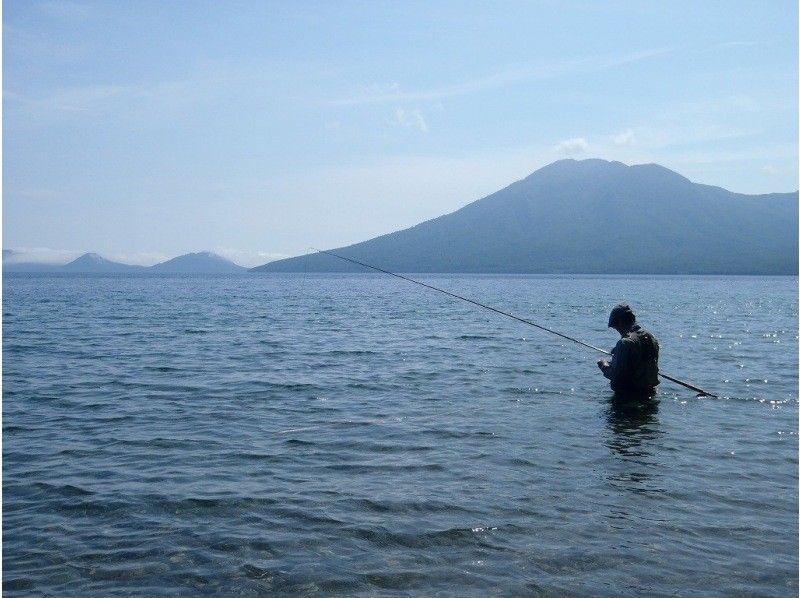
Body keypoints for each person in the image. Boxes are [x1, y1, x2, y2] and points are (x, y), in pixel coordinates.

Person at [597, 304, 660, 396]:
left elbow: (616, 376)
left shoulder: (624, 343)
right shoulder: (651, 337)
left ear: (620, 322)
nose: (617, 330)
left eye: (615, 326)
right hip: (649, 393)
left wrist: (604, 365)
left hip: (627, 399)